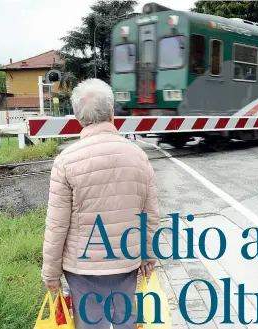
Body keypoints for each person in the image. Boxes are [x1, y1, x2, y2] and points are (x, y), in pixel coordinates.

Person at [41, 78, 161, 329]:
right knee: (126, 320)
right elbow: (150, 215)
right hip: (126, 261)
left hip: (82, 268)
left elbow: (57, 225)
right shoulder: (138, 156)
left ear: (78, 120)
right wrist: (148, 255)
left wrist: (51, 272)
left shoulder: (66, 161)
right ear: (112, 114)